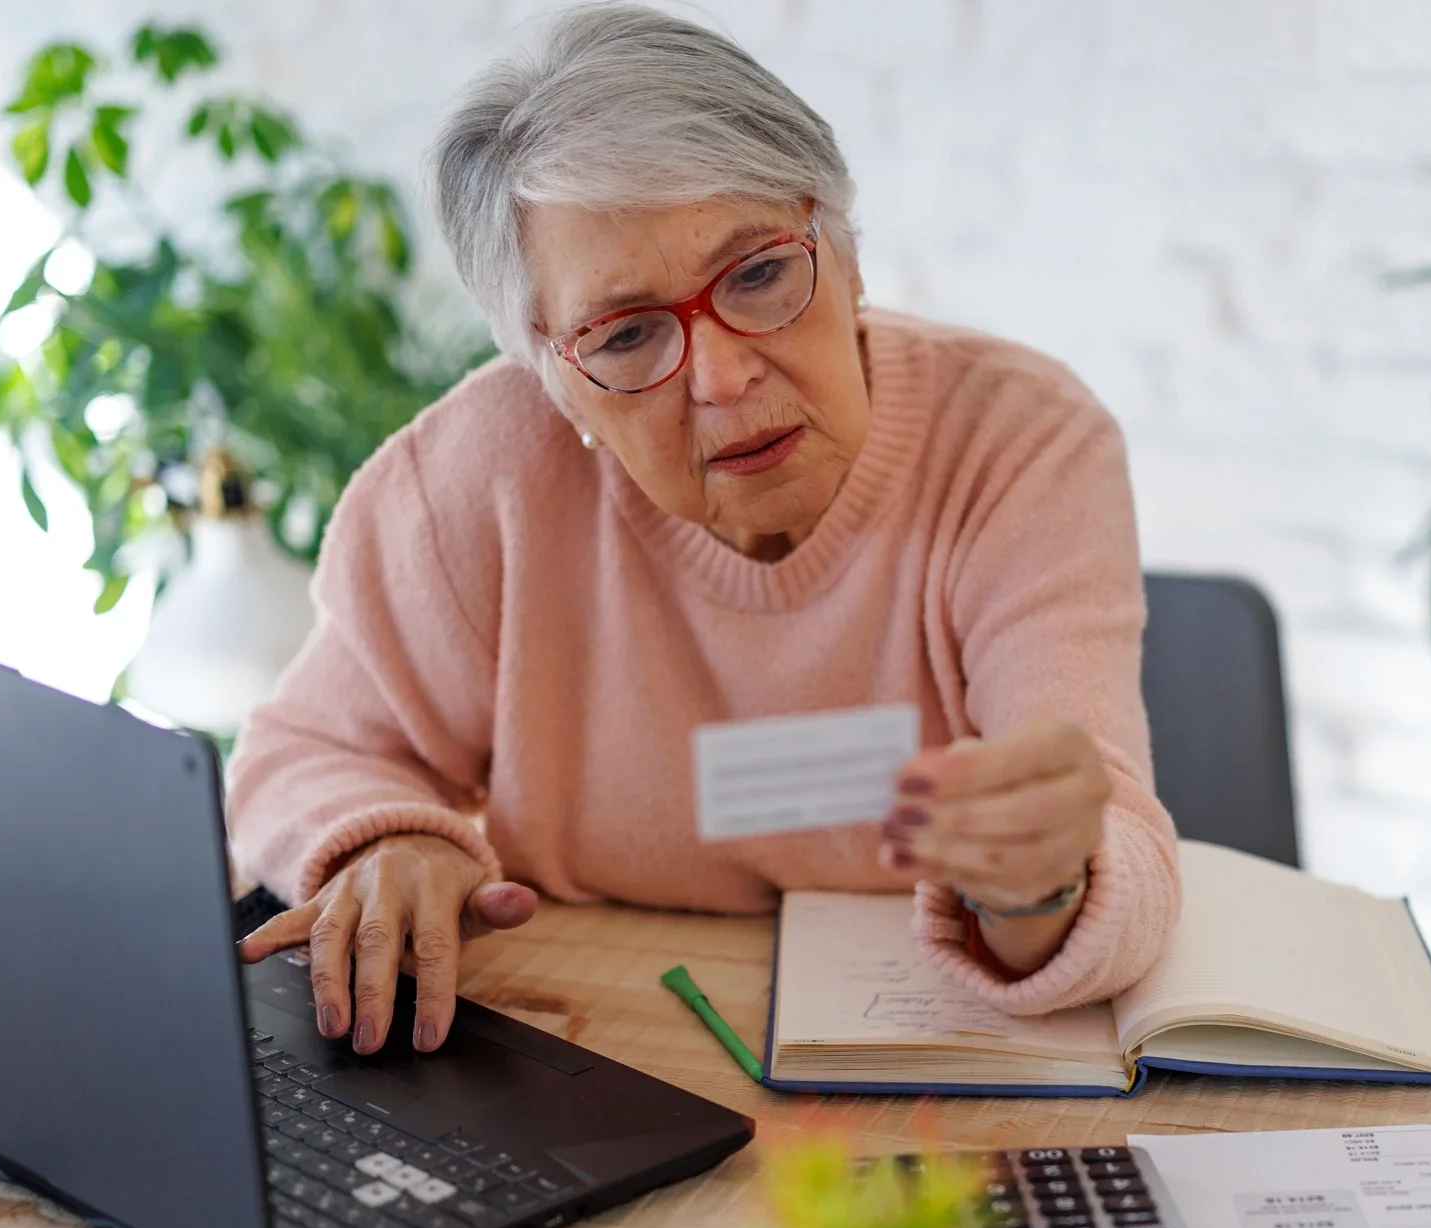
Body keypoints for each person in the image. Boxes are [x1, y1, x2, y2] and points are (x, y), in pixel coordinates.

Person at [227, 2, 1180, 1056]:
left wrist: (1039, 879)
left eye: (761, 273)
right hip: (600, 1039)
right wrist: (393, 841)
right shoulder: (477, 474)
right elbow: (297, 754)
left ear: (848, 255)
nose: (723, 378)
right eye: (627, 333)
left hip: (941, 1057)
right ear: (554, 378)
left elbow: (1121, 846)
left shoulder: (1020, 441)